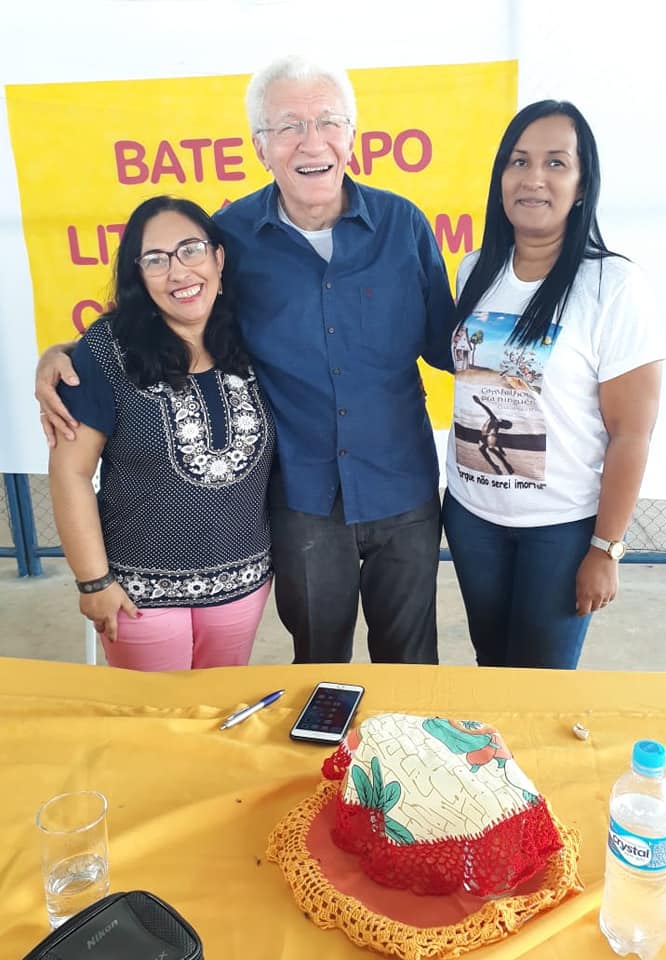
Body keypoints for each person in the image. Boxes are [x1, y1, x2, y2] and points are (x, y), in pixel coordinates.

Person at [36, 56, 456, 665]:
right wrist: (64, 355)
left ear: (352, 135)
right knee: (317, 667)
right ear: (261, 147)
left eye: (327, 122)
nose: (311, 142)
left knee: (412, 662)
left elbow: (447, 342)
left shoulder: (403, 226)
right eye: (289, 127)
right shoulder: (231, 236)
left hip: (404, 491)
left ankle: (405, 764)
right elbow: (168, 310)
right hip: (303, 499)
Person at [442, 100, 664, 669]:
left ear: (582, 184)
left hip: (560, 531)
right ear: (500, 179)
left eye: (556, 163)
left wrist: (605, 548)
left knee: (542, 685)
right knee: (491, 665)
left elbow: (631, 434)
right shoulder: (474, 270)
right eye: (519, 161)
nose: (533, 178)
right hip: (472, 519)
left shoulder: (612, 286)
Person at [48, 196, 275, 670]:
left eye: (191, 250)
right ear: (138, 274)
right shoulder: (107, 352)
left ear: (219, 257)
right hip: (137, 596)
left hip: (243, 586)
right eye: (155, 260)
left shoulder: (256, 337)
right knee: (153, 729)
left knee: (216, 718)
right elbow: (70, 473)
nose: (178, 273)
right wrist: (93, 583)